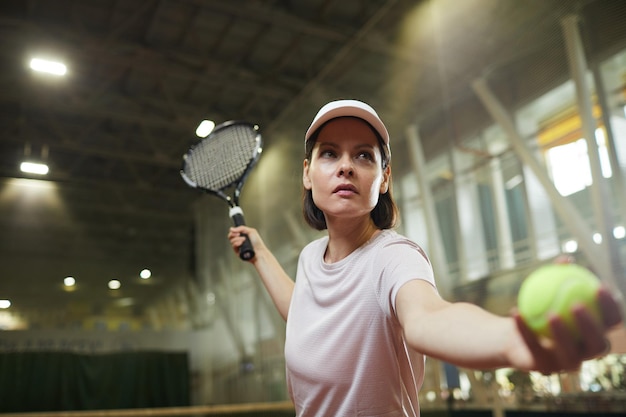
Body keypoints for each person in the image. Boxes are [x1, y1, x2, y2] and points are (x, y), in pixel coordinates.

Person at [228, 99, 623, 417]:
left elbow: (428, 318)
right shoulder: (311, 257)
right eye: (329, 154)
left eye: (364, 156)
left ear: (384, 179)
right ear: (307, 174)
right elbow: (303, 313)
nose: (346, 166)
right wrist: (259, 253)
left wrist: (510, 340)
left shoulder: (395, 257)